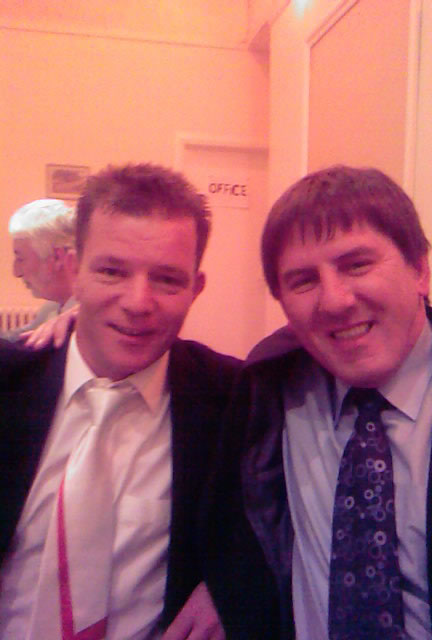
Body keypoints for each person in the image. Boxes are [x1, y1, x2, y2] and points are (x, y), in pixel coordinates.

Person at [204, 165, 432, 640]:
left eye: (357, 265)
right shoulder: (268, 386)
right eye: (303, 281)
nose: (334, 301)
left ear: (420, 269)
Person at [0, 163, 240, 639]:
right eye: (111, 271)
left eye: (167, 280)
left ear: (196, 288)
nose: (137, 302)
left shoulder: (232, 400)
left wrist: (228, 584)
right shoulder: (10, 382)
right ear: (75, 271)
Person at [2, 198, 77, 340]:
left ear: (57, 258)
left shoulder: (87, 322)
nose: (16, 272)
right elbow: (14, 339)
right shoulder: (52, 308)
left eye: (21, 259)